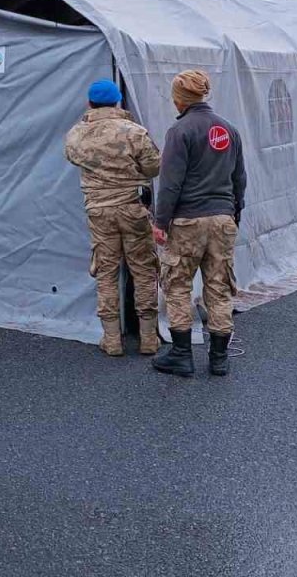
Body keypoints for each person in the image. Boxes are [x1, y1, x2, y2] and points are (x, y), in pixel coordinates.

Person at [150, 70, 246, 378]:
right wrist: (234, 213)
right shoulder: (229, 129)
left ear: (180, 99)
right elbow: (239, 178)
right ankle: (219, 358)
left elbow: (170, 183)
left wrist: (160, 220)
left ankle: (181, 353)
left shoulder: (180, 132)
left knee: (177, 283)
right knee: (218, 286)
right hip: (222, 218)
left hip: (188, 220)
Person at [63, 78, 162, 357]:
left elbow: (71, 157)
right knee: (143, 270)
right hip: (133, 208)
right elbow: (154, 168)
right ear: (118, 101)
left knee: (106, 272)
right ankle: (148, 340)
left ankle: (112, 340)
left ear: (90, 102)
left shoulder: (76, 134)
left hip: (98, 210)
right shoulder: (135, 131)